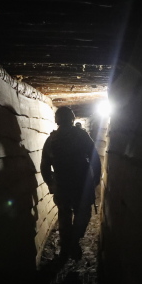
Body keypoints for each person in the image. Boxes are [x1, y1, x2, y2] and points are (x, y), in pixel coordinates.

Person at [41, 107, 101, 261]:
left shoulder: (51, 140)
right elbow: (94, 157)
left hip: (62, 185)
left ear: (57, 120)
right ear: (72, 119)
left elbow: (45, 165)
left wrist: (51, 183)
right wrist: (95, 179)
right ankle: (74, 239)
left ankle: (66, 245)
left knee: (64, 215)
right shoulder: (81, 135)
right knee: (83, 213)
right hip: (81, 183)